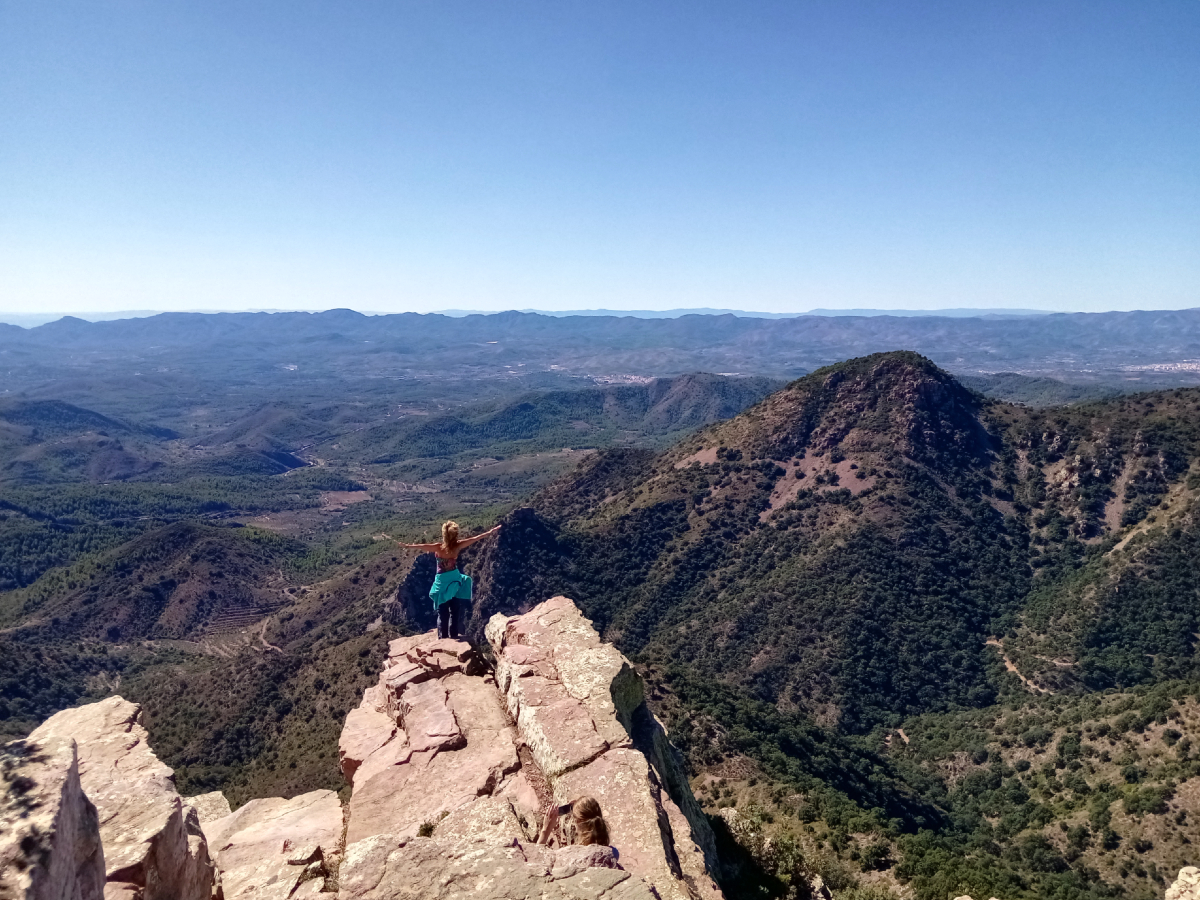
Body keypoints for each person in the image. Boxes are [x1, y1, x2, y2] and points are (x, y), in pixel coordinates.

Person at [395, 520, 501, 639]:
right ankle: (454, 635)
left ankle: (443, 638)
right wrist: (490, 532)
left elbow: (421, 546)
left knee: (443, 613)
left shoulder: (438, 547)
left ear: (444, 534)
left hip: (442, 582)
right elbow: (476, 538)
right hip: (455, 581)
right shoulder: (458, 545)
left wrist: (407, 546)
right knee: (455, 611)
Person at [537, 796, 612, 852]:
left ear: (578, 822)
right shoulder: (612, 852)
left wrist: (546, 830)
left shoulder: (572, 855)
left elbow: (537, 859)